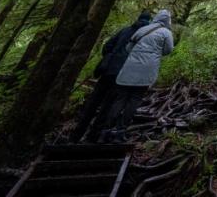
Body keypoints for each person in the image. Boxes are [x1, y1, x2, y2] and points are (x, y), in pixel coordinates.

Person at [70, 10, 151, 142]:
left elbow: (107, 45)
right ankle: (92, 138)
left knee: (93, 103)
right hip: (122, 75)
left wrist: (109, 58)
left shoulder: (125, 30)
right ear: (149, 22)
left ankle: (75, 136)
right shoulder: (144, 37)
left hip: (107, 71)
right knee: (107, 106)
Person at [100, 9, 174, 143]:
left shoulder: (143, 29)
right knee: (135, 99)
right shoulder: (166, 32)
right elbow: (168, 50)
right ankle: (120, 131)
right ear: (168, 20)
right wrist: (154, 53)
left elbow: (129, 47)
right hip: (146, 70)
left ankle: (106, 130)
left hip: (129, 67)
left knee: (120, 98)